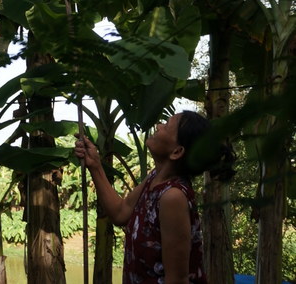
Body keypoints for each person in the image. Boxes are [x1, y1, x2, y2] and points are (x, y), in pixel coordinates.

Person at [74, 110, 232, 284]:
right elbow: (120, 212)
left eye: (166, 126)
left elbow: (176, 280)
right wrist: (95, 165)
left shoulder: (173, 197)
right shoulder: (154, 178)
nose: (158, 126)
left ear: (177, 152)